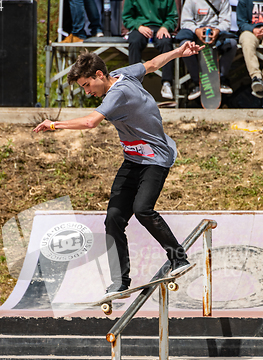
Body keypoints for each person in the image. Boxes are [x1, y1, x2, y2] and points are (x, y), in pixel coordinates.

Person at [33, 43, 202, 295]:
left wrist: (55, 125)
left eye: (87, 85)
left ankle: (179, 258)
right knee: (113, 218)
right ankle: (120, 281)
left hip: (156, 158)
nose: (87, 92)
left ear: (99, 75)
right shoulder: (125, 72)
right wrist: (178, 52)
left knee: (142, 209)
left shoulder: (118, 92)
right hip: (133, 159)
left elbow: (91, 122)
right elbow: (153, 64)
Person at [176, 0, 237, 101]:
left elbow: (226, 22)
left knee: (232, 44)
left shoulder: (223, 1)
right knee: (184, 46)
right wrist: (196, 30)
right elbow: (185, 22)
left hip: (217, 34)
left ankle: (220, 80)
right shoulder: (191, 1)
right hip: (195, 33)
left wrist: (217, 30)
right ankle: (197, 83)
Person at [122, 0, 178, 100]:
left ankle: (167, 83)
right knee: (134, 41)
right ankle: (134, 84)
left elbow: (172, 17)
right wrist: (138, 26)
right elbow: (127, 17)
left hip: (160, 27)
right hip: (140, 28)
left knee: (165, 42)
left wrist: (165, 27)